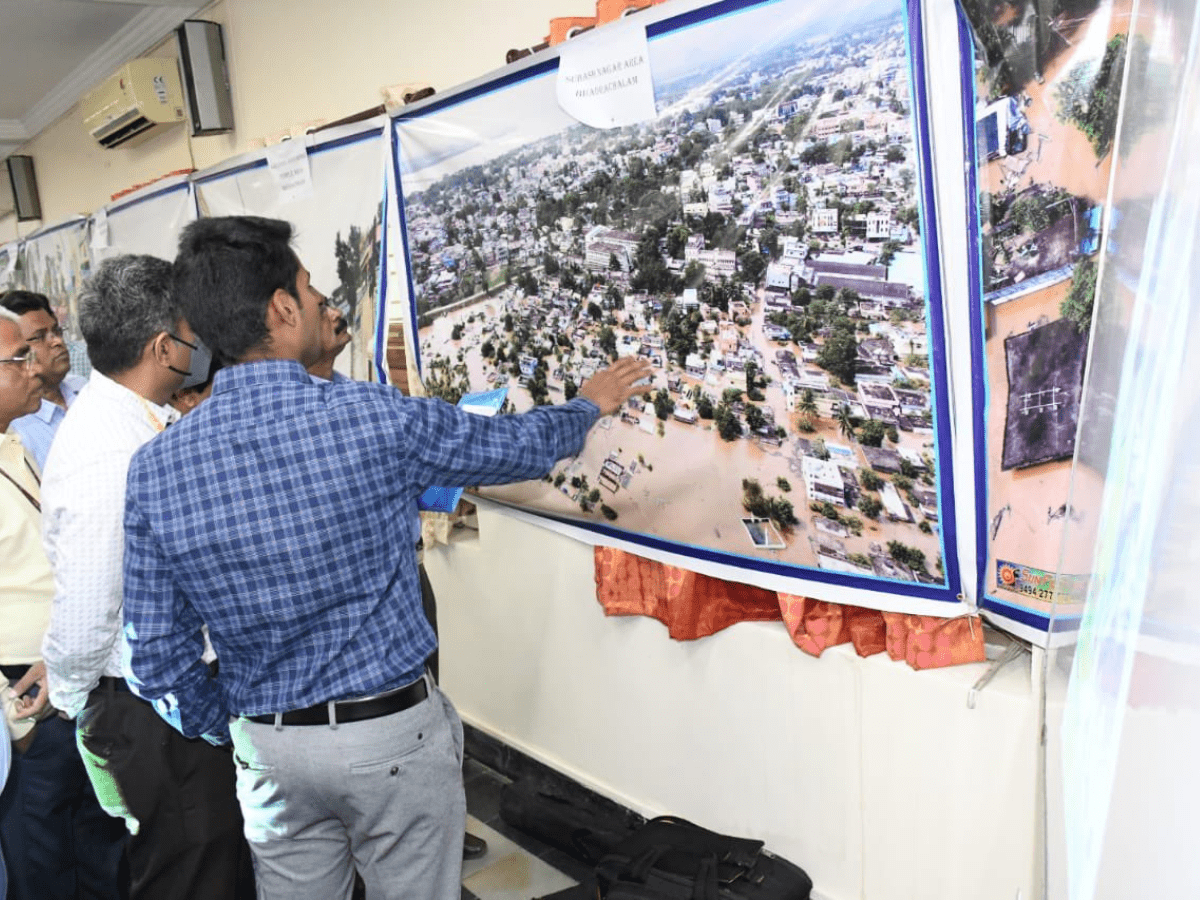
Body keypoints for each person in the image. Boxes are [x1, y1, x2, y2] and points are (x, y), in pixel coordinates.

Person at [120, 216, 650, 900]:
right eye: (308, 290)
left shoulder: (156, 467)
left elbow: (154, 656)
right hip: (389, 737)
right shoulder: (373, 416)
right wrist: (586, 406)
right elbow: (513, 448)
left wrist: (233, 721)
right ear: (281, 309)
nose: (317, 303)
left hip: (269, 750)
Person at [39, 255, 253, 900]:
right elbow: (90, 601)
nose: (200, 348)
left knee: (214, 860)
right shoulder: (112, 449)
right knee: (192, 873)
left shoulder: (141, 421)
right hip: (147, 708)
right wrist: (81, 704)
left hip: (166, 699)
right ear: (165, 347)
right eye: (192, 334)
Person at [305, 300, 490, 862]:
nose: (336, 314)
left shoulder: (365, 402)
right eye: (319, 307)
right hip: (344, 596)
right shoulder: (301, 417)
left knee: (424, 701)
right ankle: (371, 839)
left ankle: (436, 821)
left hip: (405, 574)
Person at [0, 307, 128, 900]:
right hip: (23, 701)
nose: (34, 368)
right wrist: (11, 714)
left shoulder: (13, 447)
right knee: (45, 866)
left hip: (62, 682)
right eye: (17, 357)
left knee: (98, 854)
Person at [1, 291, 87, 470]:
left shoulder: (85, 389)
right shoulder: (14, 427)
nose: (56, 341)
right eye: (38, 337)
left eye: (56, 330)